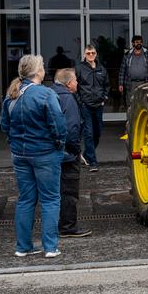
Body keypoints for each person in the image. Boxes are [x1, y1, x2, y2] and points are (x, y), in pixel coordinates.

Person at [1, 55, 67, 259]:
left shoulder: (12, 94)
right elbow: (59, 125)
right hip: (45, 153)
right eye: (43, 67)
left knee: (25, 200)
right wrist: (59, 145)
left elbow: (5, 126)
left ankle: (23, 247)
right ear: (39, 72)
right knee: (50, 199)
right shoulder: (45, 94)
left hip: (20, 154)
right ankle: (50, 247)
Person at [52, 69, 92, 238]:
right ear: (68, 84)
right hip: (67, 154)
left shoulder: (51, 94)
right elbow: (71, 129)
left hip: (52, 152)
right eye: (75, 80)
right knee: (69, 191)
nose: (77, 83)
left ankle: (56, 225)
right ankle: (68, 227)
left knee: (55, 191)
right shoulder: (68, 98)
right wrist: (76, 151)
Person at [76, 44, 109, 173]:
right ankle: (93, 162)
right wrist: (80, 101)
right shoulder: (79, 68)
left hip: (98, 106)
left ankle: (87, 155)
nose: (90, 55)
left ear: (96, 54)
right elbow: (74, 86)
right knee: (88, 134)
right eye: (88, 53)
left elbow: (107, 85)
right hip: (86, 106)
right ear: (84, 54)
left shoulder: (101, 68)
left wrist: (104, 98)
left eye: (93, 53)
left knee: (98, 133)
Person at [119, 35, 148, 112]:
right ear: (133, 44)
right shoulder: (127, 55)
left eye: (140, 42)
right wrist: (120, 84)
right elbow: (122, 70)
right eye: (136, 42)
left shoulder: (147, 54)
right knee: (131, 103)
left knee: (144, 103)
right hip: (131, 84)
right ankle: (131, 122)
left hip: (144, 82)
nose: (139, 44)